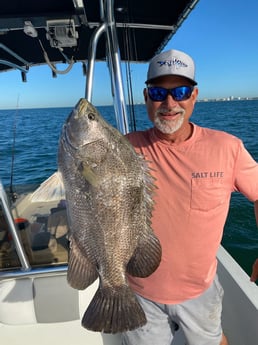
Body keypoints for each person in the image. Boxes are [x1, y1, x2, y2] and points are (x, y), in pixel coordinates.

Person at [121, 49, 258, 345]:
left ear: (194, 96)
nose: (169, 103)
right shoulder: (123, 148)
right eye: (159, 92)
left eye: (180, 91)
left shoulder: (227, 147)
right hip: (139, 289)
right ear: (146, 97)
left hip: (200, 290)